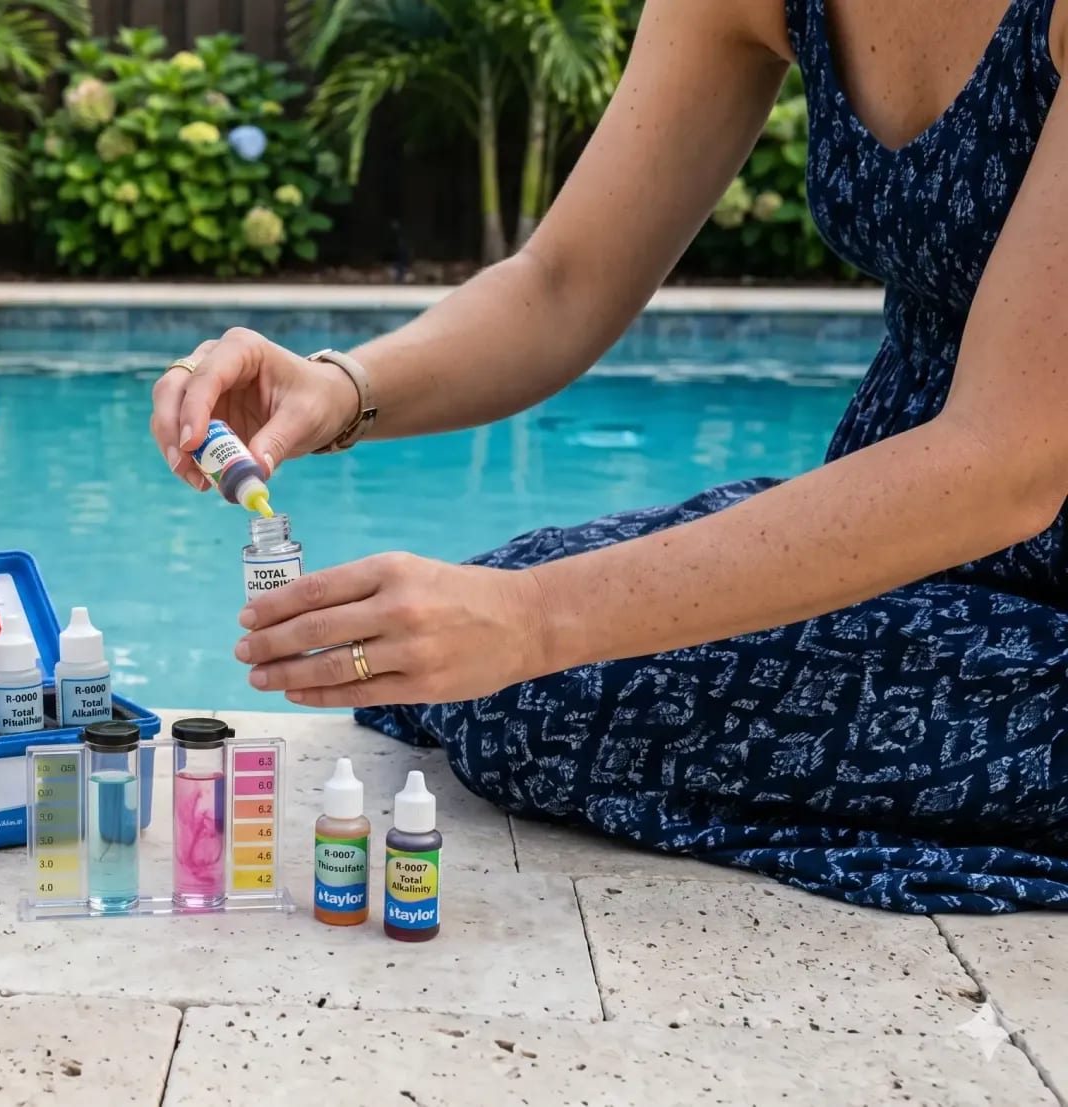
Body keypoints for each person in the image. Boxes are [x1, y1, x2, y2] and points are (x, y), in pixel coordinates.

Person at [150, 0, 1068, 913]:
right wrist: (338, 389)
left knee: (529, 687)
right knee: (456, 636)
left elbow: (1004, 462)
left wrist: (534, 620)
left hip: (1014, 554)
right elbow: (563, 284)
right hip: (893, 536)